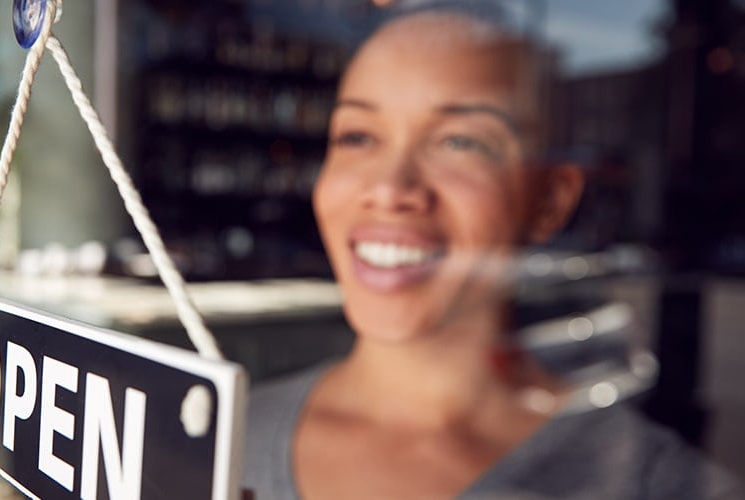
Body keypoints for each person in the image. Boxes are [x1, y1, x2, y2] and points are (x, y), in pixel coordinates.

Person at [243, 4, 743, 499]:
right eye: (357, 136)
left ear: (549, 200)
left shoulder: (657, 487)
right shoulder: (215, 440)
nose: (390, 188)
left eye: (460, 142)